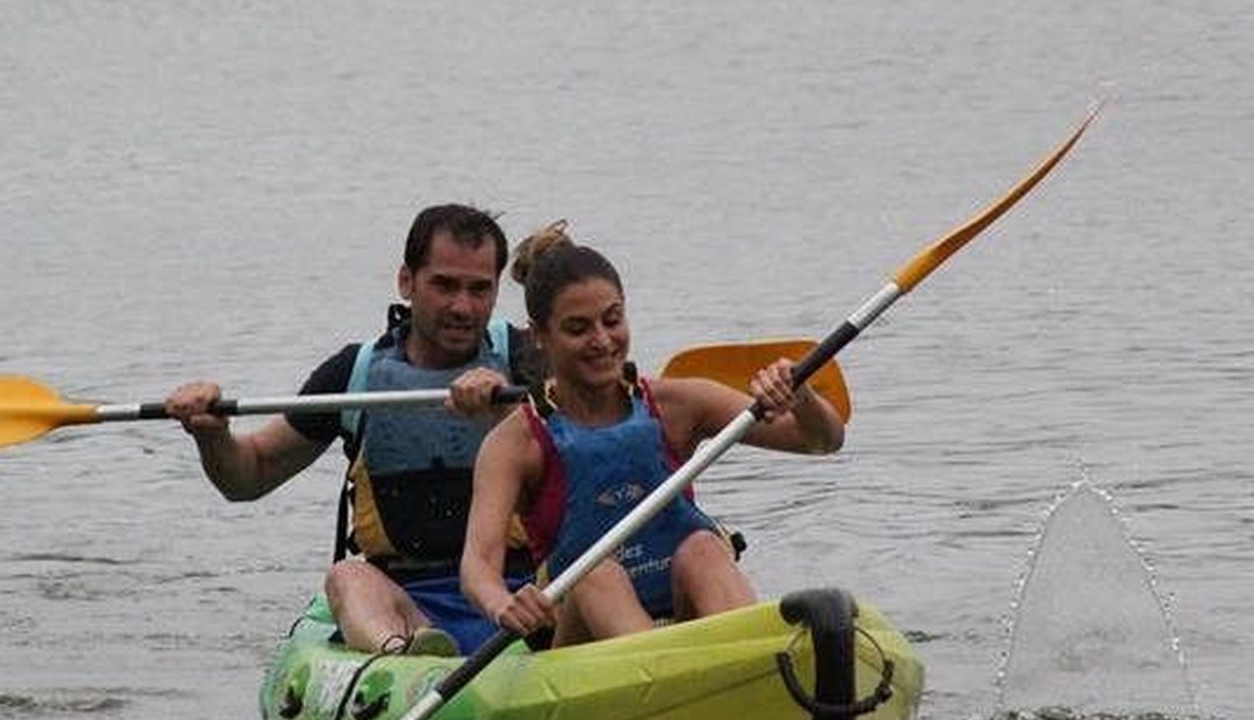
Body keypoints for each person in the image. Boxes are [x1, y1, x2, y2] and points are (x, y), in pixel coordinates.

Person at [165, 204, 536, 657]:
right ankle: (403, 657)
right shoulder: (356, 373)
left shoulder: (529, 362)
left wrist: (509, 412)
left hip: (522, 595)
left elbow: (586, 458)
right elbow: (251, 475)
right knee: (347, 576)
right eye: (444, 285)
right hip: (405, 604)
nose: (462, 306)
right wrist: (212, 434)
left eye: (479, 289)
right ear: (407, 281)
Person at [461, 222, 845, 648]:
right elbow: (477, 566)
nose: (602, 341)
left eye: (612, 320)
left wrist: (802, 397)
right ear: (539, 337)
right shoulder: (516, 442)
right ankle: (674, 670)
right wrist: (501, 603)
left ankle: (753, 657)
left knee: (704, 547)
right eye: (578, 329)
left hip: (681, 610)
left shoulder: (678, 404)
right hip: (579, 643)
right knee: (596, 573)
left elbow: (822, 441)